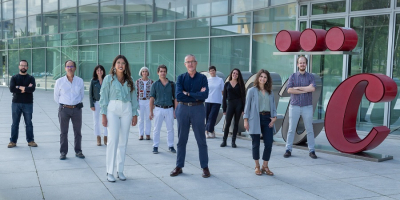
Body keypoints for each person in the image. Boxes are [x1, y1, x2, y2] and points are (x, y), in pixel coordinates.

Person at [170, 54, 210, 178]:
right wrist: (196, 94)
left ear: (196, 63)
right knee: (182, 139)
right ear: (185, 64)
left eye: (192, 61)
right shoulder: (181, 78)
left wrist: (187, 93)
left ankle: (205, 167)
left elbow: (205, 95)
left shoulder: (203, 78)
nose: (190, 64)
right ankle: (179, 166)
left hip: (198, 109)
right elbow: (179, 95)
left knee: (201, 140)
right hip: (182, 108)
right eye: (188, 62)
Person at [100, 55, 138, 182]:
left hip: (126, 109)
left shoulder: (130, 80)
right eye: (118, 62)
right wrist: (103, 115)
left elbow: (133, 98)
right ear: (114, 65)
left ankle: (120, 170)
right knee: (113, 140)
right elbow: (103, 97)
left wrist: (134, 114)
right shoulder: (108, 79)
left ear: (126, 66)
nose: (121, 65)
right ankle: (109, 171)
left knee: (123, 141)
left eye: (123, 63)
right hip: (112, 109)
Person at [243, 69, 277, 176]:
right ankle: (257, 166)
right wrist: (245, 120)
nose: (263, 79)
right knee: (256, 143)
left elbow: (273, 106)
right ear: (258, 78)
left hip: (267, 119)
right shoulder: (252, 91)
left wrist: (274, 118)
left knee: (268, 143)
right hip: (255, 119)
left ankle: (265, 166)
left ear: (267, 80)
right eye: (261, 76)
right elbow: (247, 107)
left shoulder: (270, 92)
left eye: (265, 77)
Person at [284, 56, 317, 159]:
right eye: (300, 63)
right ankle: (288, 149)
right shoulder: (292, 76)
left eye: (304, 63)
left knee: (309, 129)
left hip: (307, 106)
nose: (302, 64)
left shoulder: (311, 77)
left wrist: (298, 88)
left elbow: (312, 88)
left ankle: (312, 150)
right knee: (291, 129)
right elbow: (289, 90)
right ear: (297, 64)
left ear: (306, 64)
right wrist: (305, 89)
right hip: (295, 106)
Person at [54, 60, 85, 160]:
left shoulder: (80, 81)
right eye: (68, 66)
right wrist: (64, 105)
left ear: (75, 68)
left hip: (76, 109)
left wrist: (75, 104)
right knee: (63, 132)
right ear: (65, 68)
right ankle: (63, 152)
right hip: (64, 109)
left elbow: (82, 95)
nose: (70, 68)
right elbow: (56, 97)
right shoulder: (59, 81)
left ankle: (78, 151)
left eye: (71, 66)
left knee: (78, 132)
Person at [8, 60, 37, 148]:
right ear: (19, 67)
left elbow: (32, 89)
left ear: (27, 67)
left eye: (25, 65)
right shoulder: (14, 77)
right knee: (15, 123)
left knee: (28, 123)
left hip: (28, 103)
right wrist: (26, 88)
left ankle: (30, 141)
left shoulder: (31, 78)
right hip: (16, 103)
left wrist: (19, 87)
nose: (23, 67)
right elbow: (12, 89)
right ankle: (13, 141)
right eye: (22, 65)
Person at [149, 65, 177, 154]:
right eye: (161, 71)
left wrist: (175, 110)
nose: (163, 73)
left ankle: (171, 146)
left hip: (169, 109)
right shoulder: (155, 84)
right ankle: (155, 146)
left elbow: (176, 98)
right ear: (158, 73)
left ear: (166, 72)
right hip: (158, 109)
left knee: (170, 129)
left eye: (164, 71)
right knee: (156, 129)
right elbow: (151, 99)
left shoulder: (172, 84)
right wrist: (151, 112)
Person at [221, 68, 245, 148]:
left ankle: (233, 142)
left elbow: (243, 97)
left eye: (236, 74)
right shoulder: (227, 84)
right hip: (230, 104)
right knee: (227, 123)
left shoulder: (241, 84)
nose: (235, 75)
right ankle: (224, 141)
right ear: (231, 74)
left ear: (238, 75)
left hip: (239, 104)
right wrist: (224, 108)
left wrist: (243, 109)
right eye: (233, 73)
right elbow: (224, 97)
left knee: (236, 123)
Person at [89, 65, 108, 146]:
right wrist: (91, 104)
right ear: (96, 72)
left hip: (105, 104)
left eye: (101, 70)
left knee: (106, 121)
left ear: (103, 71)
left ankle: (106, 137)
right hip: (96, 103)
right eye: (98, 70)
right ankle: (98, 137)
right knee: (96, 121)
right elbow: (90, 94)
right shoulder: (93, 81)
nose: (99, 72)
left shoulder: (106, 80)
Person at [205, 66, 224, 139]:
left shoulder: (220, 80)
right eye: (210, 71)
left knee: (212, 117)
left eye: (213, 70)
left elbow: (222, 91)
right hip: (208, 100)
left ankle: (207, 130)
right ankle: (211, 131)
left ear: (215, 71)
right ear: (209, 72)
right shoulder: (207, 80)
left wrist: (221, 98)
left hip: (217, 101)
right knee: (208, 117)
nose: (212, 72)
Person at [136, 66, 153, 140]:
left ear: (148, 73)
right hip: (140, 101)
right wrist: (136, 102)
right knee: (140, 118)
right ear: (141, 73)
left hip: (148, 101)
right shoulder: (138, 81)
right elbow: (136, 92)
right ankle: (141, 134)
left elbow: (153, 93)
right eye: (143, 71)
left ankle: (148, 133)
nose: (144, 73)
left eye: (146, 71)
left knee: (148, 118)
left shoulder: (151, 82)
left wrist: (153, 103)